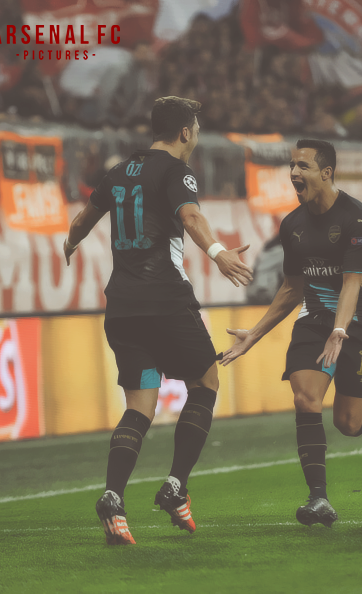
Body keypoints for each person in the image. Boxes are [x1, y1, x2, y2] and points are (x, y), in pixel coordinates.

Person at [63, 96, 253, 544]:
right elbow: (190, 215)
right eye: (197, 128)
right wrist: (218, 252)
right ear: (185, 132)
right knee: (205, 383)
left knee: (138, 408)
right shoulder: (176, 171)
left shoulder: (118, 171)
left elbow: (83, 220)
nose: (197, 135)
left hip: (122, 307)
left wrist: (70, 243)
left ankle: (113, 497)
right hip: (166, 301)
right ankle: (175, 486)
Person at [220, 139, 362, 528]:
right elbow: (292, 288)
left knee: (348, 422)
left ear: (327, 172)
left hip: (360, 323)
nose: (293, 173)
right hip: (314, 319)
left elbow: (352, 283)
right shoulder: (292, 225)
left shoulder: (358, 220)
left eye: (302, 166)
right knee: (305, 398)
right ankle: (318, 499)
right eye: (292, 166)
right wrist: (255, 334)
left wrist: (340, 329)